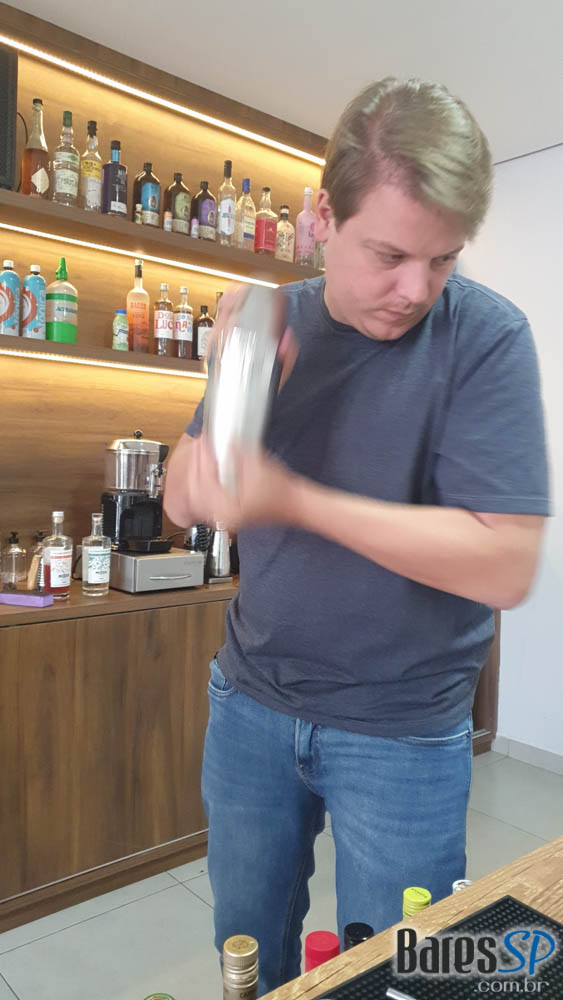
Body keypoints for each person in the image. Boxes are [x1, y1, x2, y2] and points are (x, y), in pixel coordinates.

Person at [164, 77, 549, 995]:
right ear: (323, 216)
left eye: (442, 259)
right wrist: (232, 404)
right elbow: (182, 501)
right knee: (246, 949)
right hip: (250, 704)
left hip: (403, 733)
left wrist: (296, 500)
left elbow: (505, 564)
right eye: (388, 254)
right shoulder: (271, 323)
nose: (415, 289)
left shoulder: (486, 338)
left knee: (397, 975)